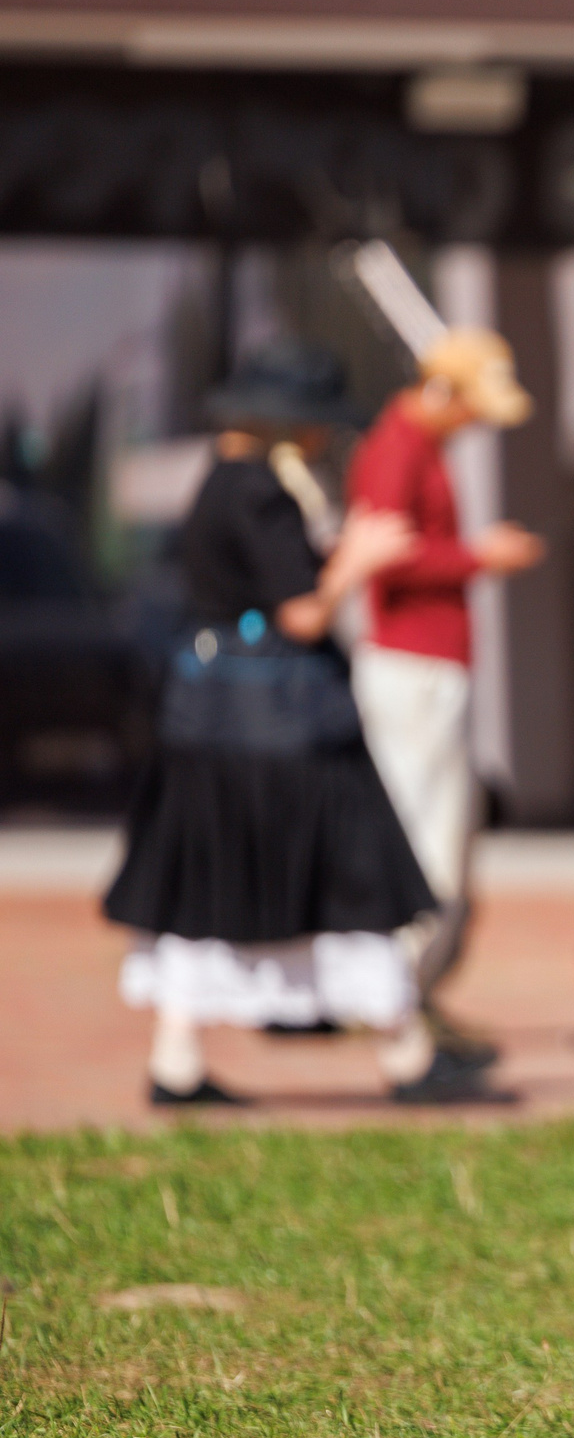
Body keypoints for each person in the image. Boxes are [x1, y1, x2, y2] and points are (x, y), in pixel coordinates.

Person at [104, 345, 439, 1104]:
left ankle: (177, 1060)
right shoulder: (261, 491)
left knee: (208, 889)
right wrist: (356, 561)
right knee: (351, 874)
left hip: (212, 723)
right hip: (282, 730)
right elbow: (302, 614)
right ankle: (407, 1050)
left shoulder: (217, 482)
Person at [346, 326, 546, 1101]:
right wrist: (479, 556)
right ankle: (398, 1023)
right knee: (422, 847)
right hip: (411, 668)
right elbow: (386, 557)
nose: (476, 424)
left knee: (447, 847)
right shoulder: (395, 448)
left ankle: (413, 1008)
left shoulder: (422, 447)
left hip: (434, 665)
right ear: (444, 390)